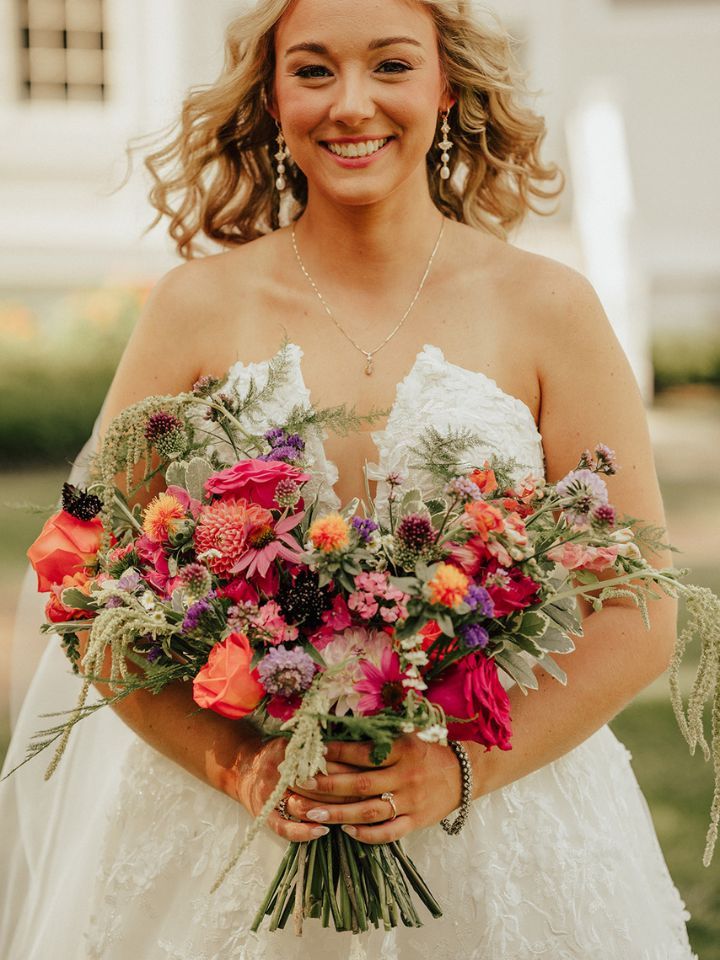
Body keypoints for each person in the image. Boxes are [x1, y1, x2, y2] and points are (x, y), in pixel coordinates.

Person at [0, 0, 698, 957]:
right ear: (272, 95)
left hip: (506, 828)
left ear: (446, 87)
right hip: (232, 839)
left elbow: (641, 613)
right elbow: (81, 575)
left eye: (392, 65)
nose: (352, 104)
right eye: (314, 69)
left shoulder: (550, 309)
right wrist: (233, 765)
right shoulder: (194, 307)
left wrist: (458, 773)